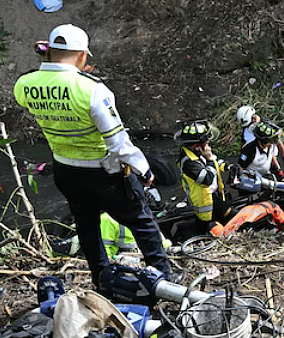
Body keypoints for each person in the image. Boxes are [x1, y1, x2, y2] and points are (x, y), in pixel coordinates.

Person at [13, 24, 171, 286]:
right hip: (104, 173)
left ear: (50, 51)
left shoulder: (25, 85)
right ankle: (164, 275)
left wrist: (47, 61)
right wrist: (144, 169)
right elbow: (118, 143)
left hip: (65, 171)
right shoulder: (93, 90)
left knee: (86, 225)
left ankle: (100, 277)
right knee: (141, 220)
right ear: (82, 55)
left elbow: (41, 81)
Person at [176, 120, 233, 237]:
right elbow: (206, 179)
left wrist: (228, 166)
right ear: (197, 146)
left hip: (212, 196)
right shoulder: (188, 162)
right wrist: (210, 160)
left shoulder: (196, 153)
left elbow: (215, 161)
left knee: (228, 217)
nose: (208, 145)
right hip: (204, 202)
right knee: (215, 228)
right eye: (206, 142)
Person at [236, 105, 284, 169]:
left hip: (270, 156)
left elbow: (278, 141)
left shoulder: (267, 125)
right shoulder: (246, 133)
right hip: (256, 160)